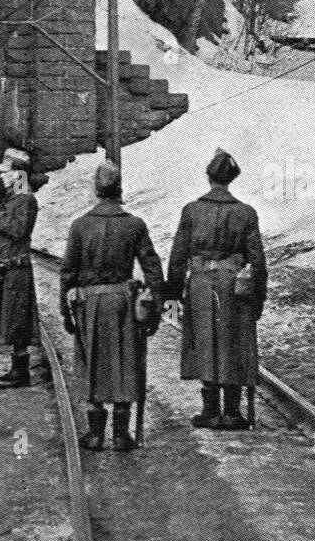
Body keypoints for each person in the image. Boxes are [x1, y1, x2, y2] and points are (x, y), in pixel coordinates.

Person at [60, 160, 165, 452]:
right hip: (123, 303)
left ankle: (94, 434)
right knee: (124, 363)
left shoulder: (80, 225)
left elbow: (68, 271)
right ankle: (121, 434)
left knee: (90, 362)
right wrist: (154, 310)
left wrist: (64, 311)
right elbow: (153, 268)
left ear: (96, 190)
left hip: (89, 304)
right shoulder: (134, 225)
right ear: (119, 189)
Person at [165, 148, 267, 430]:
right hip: (234, 285)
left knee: (205, 341)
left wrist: (172, 293)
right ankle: (233, 412)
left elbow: (177, 256)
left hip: (200, 283)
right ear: (232, 178)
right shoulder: (246, 213)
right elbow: (257, 260)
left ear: (209, 177)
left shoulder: (192, 210)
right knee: (233, 343)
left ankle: (210, 410)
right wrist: (258, 298)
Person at [0, 147, 38, 389]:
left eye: (6, 172)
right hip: (6, 268)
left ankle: (20, 372)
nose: (1, 176)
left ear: (18, 174)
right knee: (11, 319)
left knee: (17, 321)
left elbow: (18, 229)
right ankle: (17, 369)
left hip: (15, 269)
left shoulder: (24, 198)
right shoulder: (14, 196)